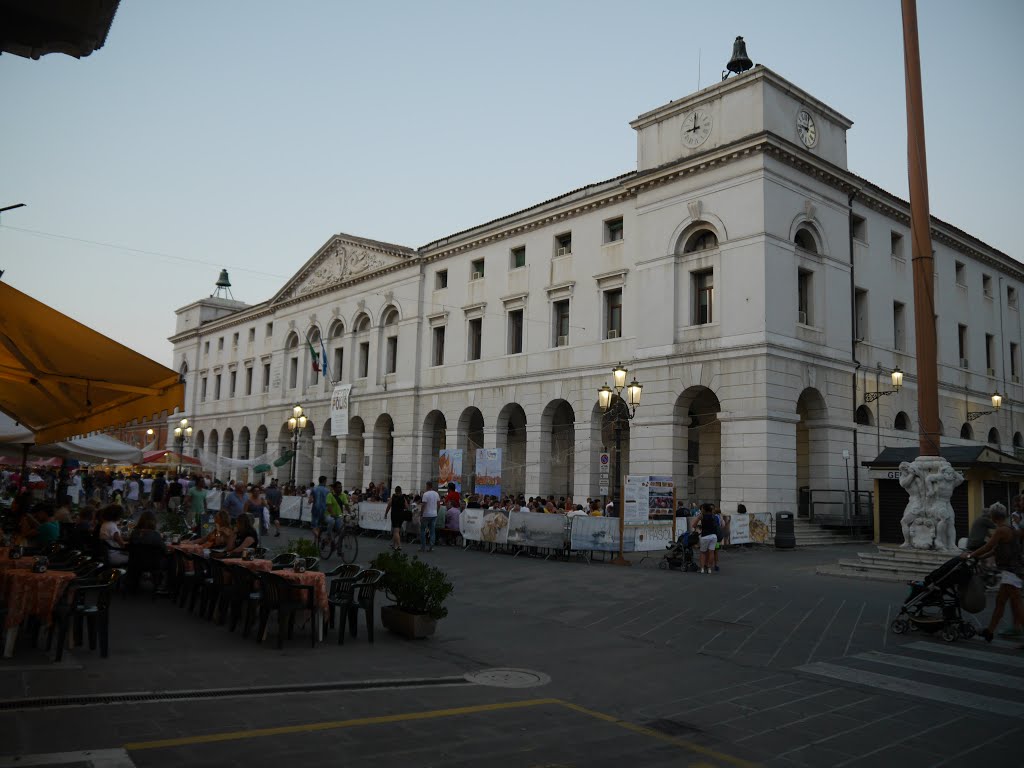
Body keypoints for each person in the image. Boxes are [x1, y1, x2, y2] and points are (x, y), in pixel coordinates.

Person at [962, 503, 1024, 642]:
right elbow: (994, 550)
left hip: (1011, 571)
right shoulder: (1009, 528)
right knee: (1000, 602)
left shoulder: (1001, 530)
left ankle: (994, 630)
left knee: (1017, 605)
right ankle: (989, 631)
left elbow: (988, 546)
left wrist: (970, 556)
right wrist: (978, 557)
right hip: (1012, 570)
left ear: (993, 516)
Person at [697, 502, 719, 574]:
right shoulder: (714, 516)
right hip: (714, 536)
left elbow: (693, 524)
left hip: (705, 536)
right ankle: (709, 568)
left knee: (703, 553)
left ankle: (702, 568)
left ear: (704, 509)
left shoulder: (702, 516)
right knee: (712, 552)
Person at [385, 485, 408, 551]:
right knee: (397, 530)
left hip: (394, 514)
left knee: (395, 531)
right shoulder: (403, 497)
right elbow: (406, 507)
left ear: (395, 491)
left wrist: (386, 513)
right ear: (400, 491)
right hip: (401, 515)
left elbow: (389, 506)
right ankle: (394, 544)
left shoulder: (393, 497)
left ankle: (398, 545)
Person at [419, 481, 440, 552]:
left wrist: (421, 514)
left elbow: (423, 505)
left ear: (427, 486)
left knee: (422, 530)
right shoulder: (436, 494)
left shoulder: (425, 494)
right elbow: (438, 504)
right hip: (434, 514)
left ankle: (423, 547)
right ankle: (431, 546)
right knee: (432, 531)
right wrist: (436, 511)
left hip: (426, 514)